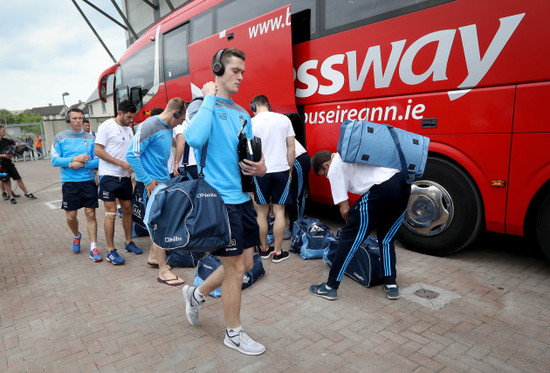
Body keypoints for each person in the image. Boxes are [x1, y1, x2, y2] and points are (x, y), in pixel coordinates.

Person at [181, 48, 267, 356]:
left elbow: (254, 157)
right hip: (218, 202)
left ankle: (196, 293)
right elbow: (194, 139)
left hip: (242, 199)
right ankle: (233, 332)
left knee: (244, 264)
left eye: (243, 71)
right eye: (235, 70)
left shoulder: (244, 113)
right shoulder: (203, 106)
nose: (241, 76)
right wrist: (207, 99)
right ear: (218, 69)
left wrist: (261, 167)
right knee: (234, 271)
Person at [308, 150, 410, 301]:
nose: (326, 176)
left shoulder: (334, 166)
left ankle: (330, 287)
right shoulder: (348, 153)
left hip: (382, 188)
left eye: (323, 173)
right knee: (387, 239)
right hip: (403, 184)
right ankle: (391, 284)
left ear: (325, 165)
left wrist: (351, 222)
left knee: (348, 240)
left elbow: (344, 208)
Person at [126, 98, 186, 285]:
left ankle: (153, 257)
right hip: (151, 185)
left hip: (162, 182)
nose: (182, 122)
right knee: (159, 226)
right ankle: (162, 271)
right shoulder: (150, 125)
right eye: (181, 118)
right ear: (175, 113)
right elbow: (131, 154)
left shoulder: (168, 128)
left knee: (160, 223)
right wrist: (147, 180)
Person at [94, 100, 143, 265]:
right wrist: (120, 163)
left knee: (128, 209)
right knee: (111, 213)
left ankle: (129, 242)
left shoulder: (129, 129)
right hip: (109, 176)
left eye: (132, 117)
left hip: (125, 178)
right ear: (120, 113)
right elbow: (98, 150)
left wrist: (133, 170)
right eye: (129, 117)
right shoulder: (106, 126)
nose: (131, 120)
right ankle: (110, 250)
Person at [249, 94, 295, 262]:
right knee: (279, 211)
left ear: (253, 108)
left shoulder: (250, 122)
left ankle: (263, 249)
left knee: (261, 213)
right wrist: (289, 170)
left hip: (260, 171)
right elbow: (291, 149)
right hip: (281, 170)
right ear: (269, 105)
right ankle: (277, 252)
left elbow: (246, 151)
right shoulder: (284, 120)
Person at [51, 108, 100, 260]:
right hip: (70, 183)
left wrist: (83, 165)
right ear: (68, 120)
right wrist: (74, 159)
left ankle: (94, 247)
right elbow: (54, 160)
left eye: (81, 118)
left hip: (88, 181)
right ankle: (76, 235)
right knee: (71, 216)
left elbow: (99, 160)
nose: (79, 121)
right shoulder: (59, 137)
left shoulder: (92, 137)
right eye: (75, 118)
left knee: (90, 214)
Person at [0, 125, 37, 204]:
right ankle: (11, 197)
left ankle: (27, 193)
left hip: (10, 164)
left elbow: (16, 145)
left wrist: (20, 147)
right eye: (3, 130)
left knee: (18, 178)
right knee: (6, 181)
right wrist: (3, 155)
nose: (4, 131)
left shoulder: (6, 141)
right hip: (1, 166)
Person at [287, 139, 311, 233]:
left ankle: (296, 226)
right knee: (291, 195)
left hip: (296, 159)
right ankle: (294, 224)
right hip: (291, 159)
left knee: (295, 195)